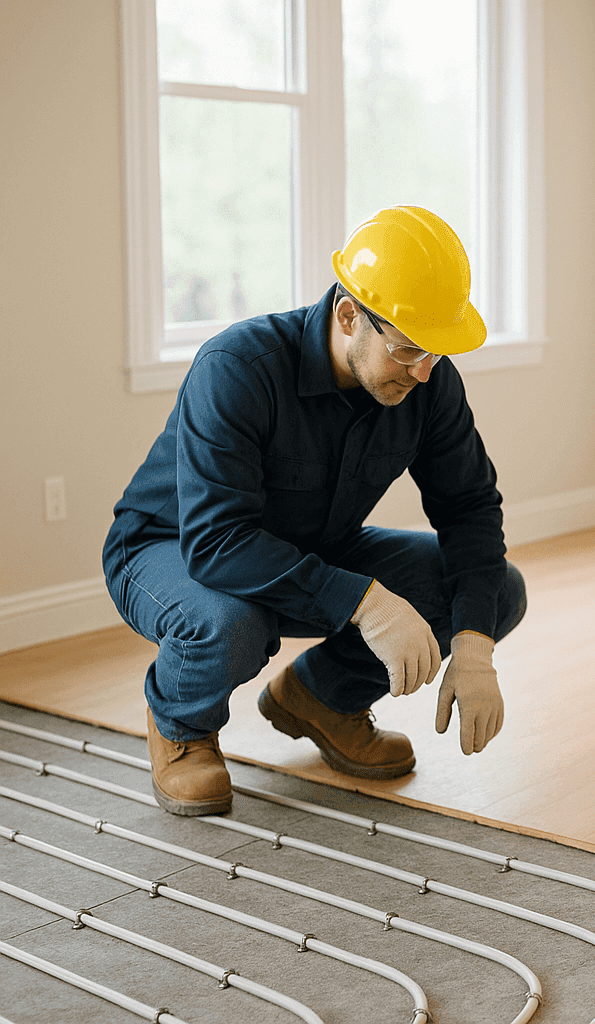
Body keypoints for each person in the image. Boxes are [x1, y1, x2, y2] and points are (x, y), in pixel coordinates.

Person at [104, 205, 526, 816]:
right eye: (408, 349)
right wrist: (368, 603)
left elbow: (470, 509)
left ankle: (323, 699)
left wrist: (475, 646)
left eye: (435, 351)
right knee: (233, 621)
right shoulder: (237, 369)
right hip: (172, 550)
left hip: (312, 547)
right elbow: (217, 543)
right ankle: (182, 726)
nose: (423, 371)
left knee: (496, 591)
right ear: (349, 316)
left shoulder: (428, 380)